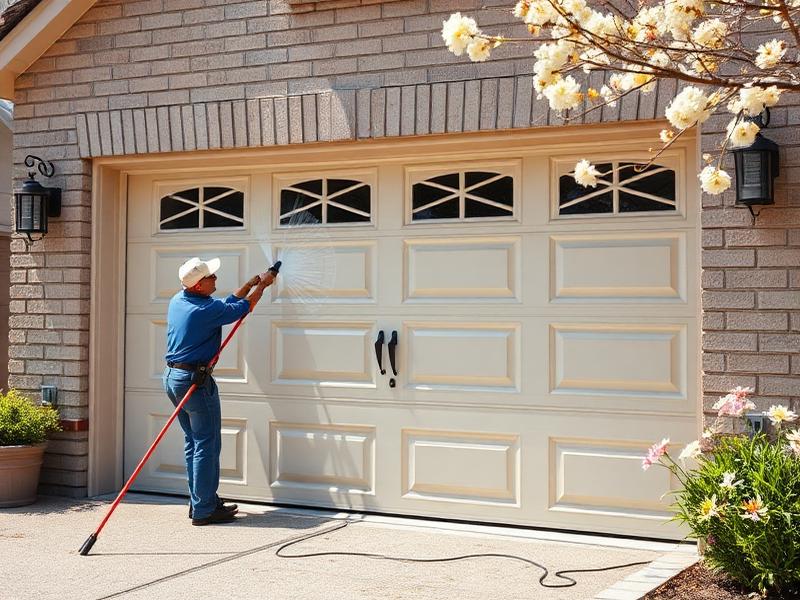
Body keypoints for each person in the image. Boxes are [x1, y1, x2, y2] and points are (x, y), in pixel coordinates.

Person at [163, 257, 276, 526]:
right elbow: (243, 307)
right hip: (194, 382)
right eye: (211, 277)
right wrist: (264, 287)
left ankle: (200, 501)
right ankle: (205, 509)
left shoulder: (180, 300)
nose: (215, 279)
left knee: (194, 442)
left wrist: (250, 283)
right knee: (206, 444)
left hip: (174, 378)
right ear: (200, 285)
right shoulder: (202, 311)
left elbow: (225, 305)